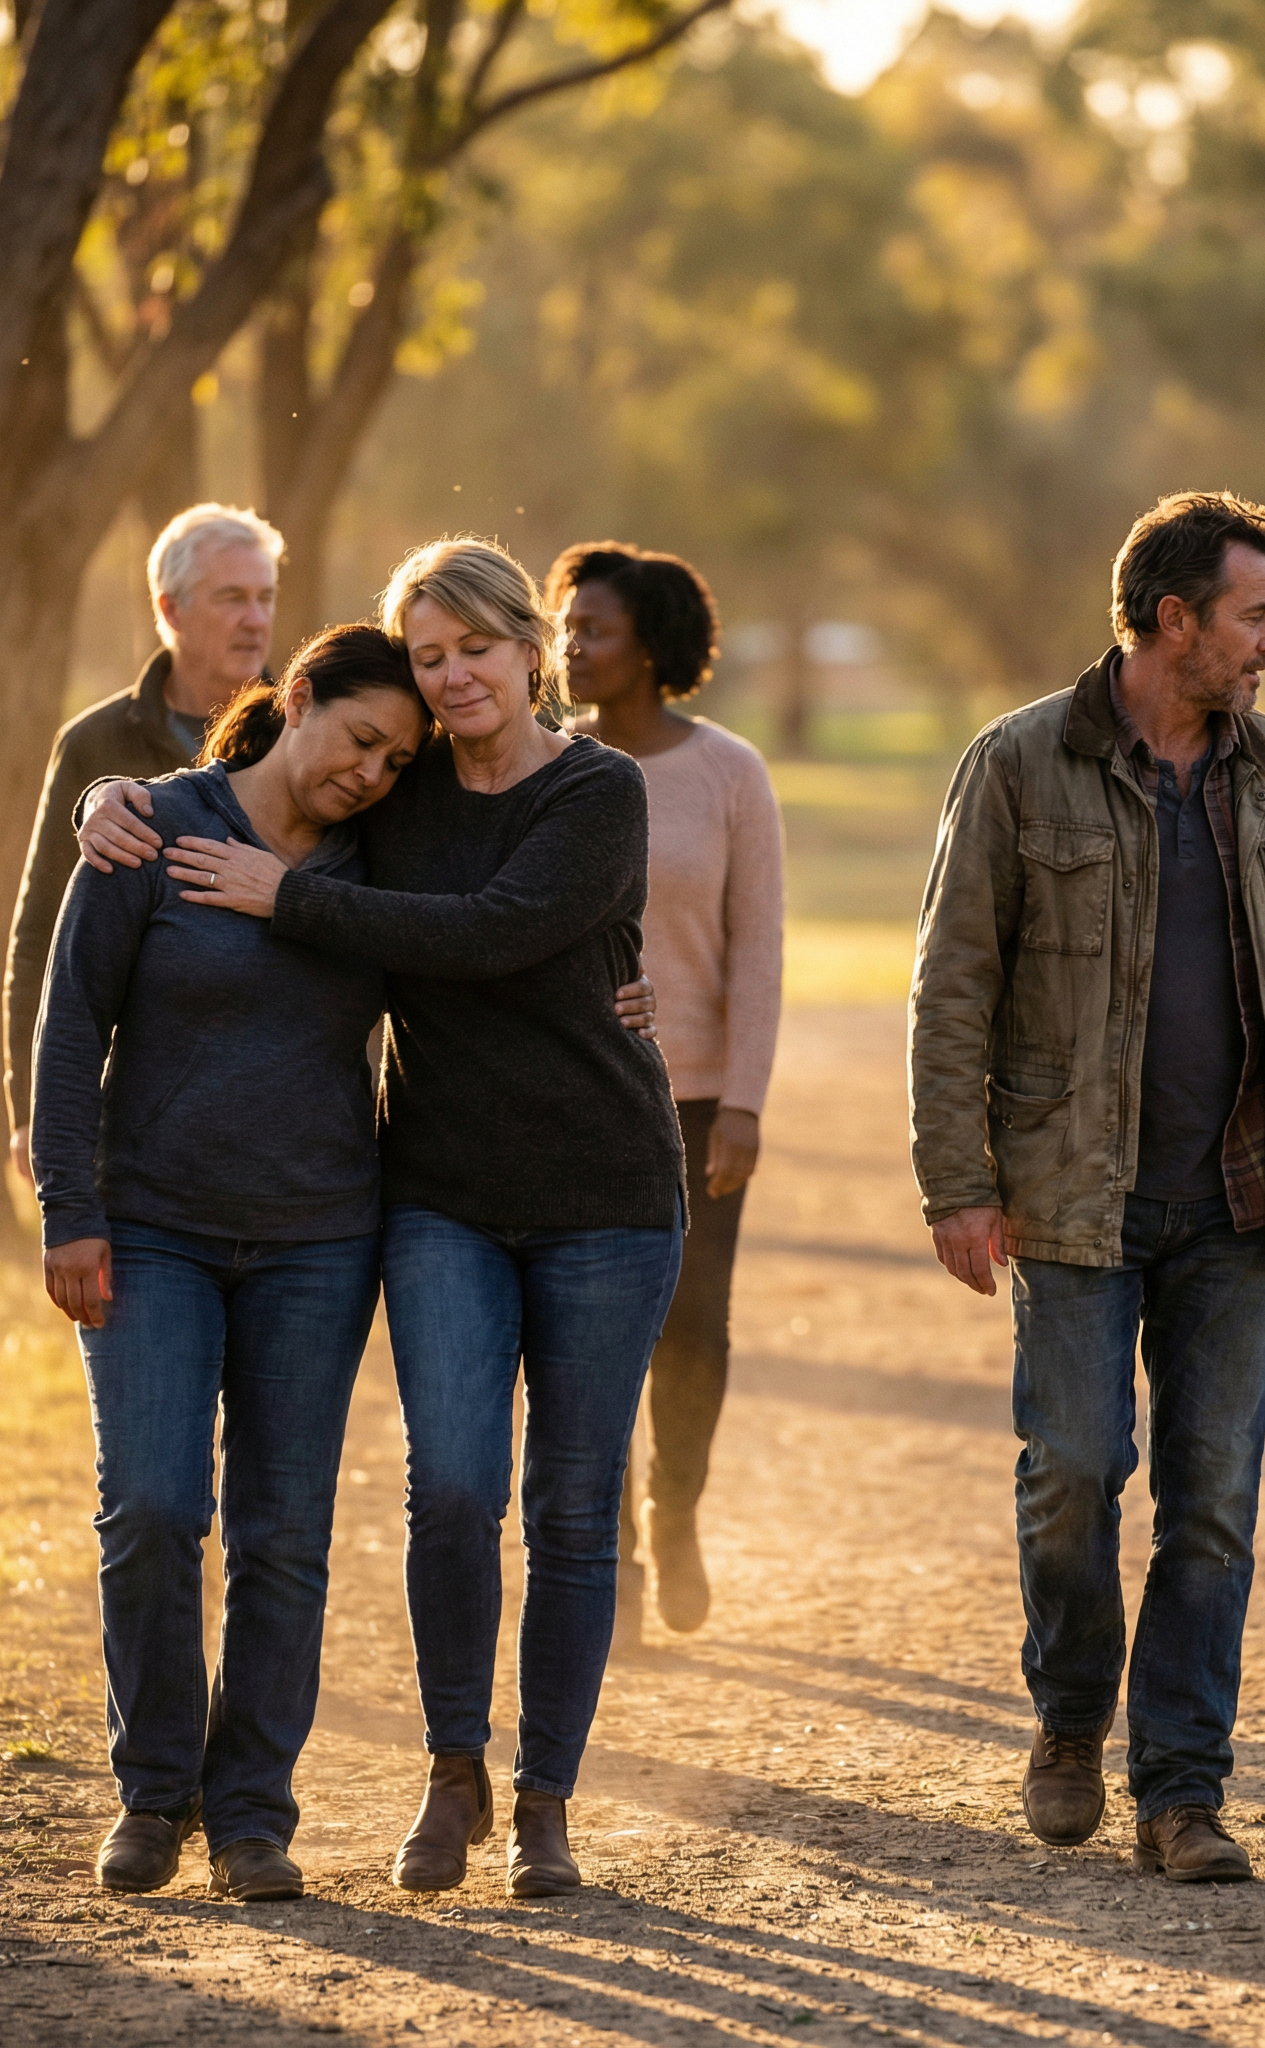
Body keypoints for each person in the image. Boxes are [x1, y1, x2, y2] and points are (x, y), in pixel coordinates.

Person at [77, 538, 686, 1900]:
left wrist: (285, 898)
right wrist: (119, 797)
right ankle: (451, 1768)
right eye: (430, 654)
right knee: (454, 1491)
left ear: (532, 650)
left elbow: (493, 928)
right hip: (440, 1195)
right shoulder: (394, 798)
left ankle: (544, 1806)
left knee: (574, 1511)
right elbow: (256, 785)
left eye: (478, 646)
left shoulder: (599, 792)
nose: (455, 675)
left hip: (603, 1193)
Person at [910, 492, 1265, 1883]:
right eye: (1256, 616)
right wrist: (955, 1181)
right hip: (1072, 1194)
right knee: (1073, 1476)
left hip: (1238, 1198)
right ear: (1175, 623)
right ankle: (1067, 1723)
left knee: (1213, 1501)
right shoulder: (1018, 763)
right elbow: (953, 986)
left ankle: (1181, 1790)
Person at [33, 627, 429, 1902]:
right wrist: (69, 1209)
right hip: (149, 1228)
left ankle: (252, 1810)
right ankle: (155, 1793)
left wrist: (621, 993)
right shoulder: (152, 827)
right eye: (361, 738)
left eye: (396, 759)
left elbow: (505, 926)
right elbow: (70, 1019)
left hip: (319, 1240)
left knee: (284, 1534)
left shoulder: (385, 862)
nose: (371, 772)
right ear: (296, 698)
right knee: (151, 1507)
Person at [553, 541, 784, 1642]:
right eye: (564, 627)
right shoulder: (543, 763)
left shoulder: (729, 770)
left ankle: (673, 1510)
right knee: (590, 1332)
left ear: (649, 645)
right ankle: (617, 1554)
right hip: (577, 1095)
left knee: (694, 1325)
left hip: (693, 1103)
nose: (570, 647)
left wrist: (743, 1098)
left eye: (591, 629)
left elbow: (758, 944)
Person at [6, 504, 281, 1188]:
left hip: (279, 1101)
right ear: (171, 607)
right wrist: (28, 1108)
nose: (256, 618)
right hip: (133, 1106)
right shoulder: (95, 743)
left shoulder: (307, 732)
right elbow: (41, 931)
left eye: (266, 597)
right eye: (232, 597)